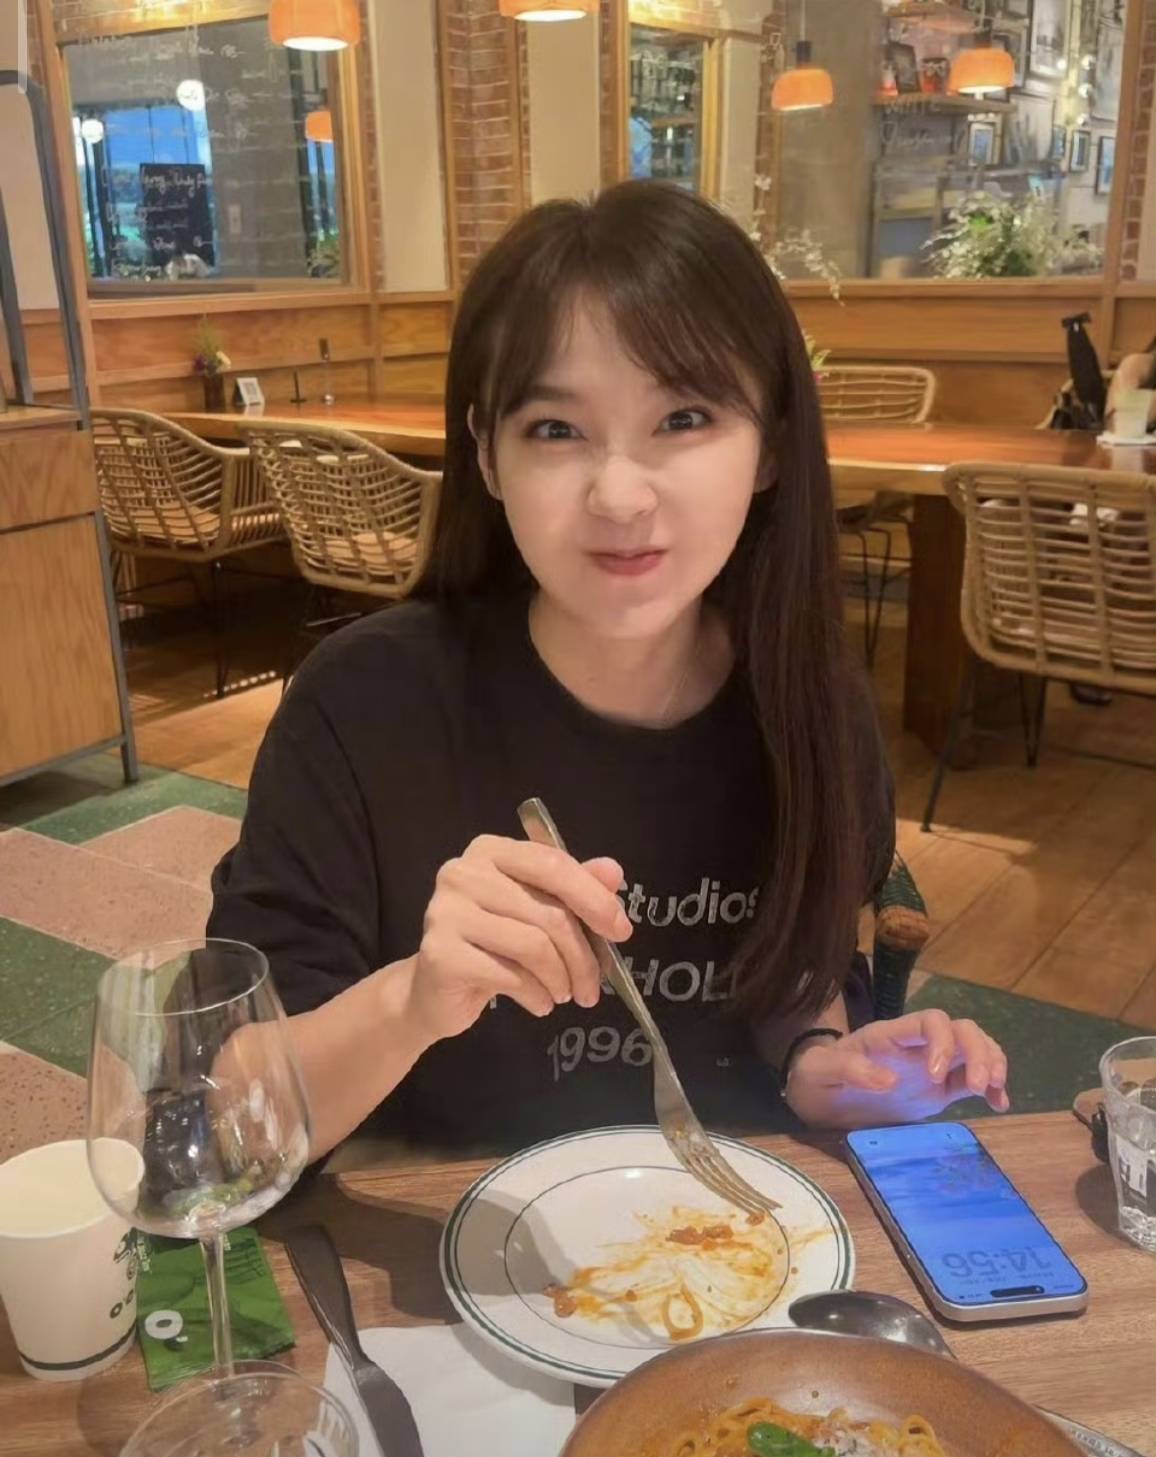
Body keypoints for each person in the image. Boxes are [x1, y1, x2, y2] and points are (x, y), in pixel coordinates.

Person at [208, 182, 1009, 1165]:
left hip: (723, 1228)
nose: (620, 496)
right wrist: (412, 998)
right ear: (487, 456)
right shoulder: (364, 704)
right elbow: (229, 1121)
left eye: (684, 417)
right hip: (440, 1225)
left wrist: (821, 1062)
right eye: (555, 429)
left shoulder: (809, 702)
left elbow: (797, 966)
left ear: (769, 445)